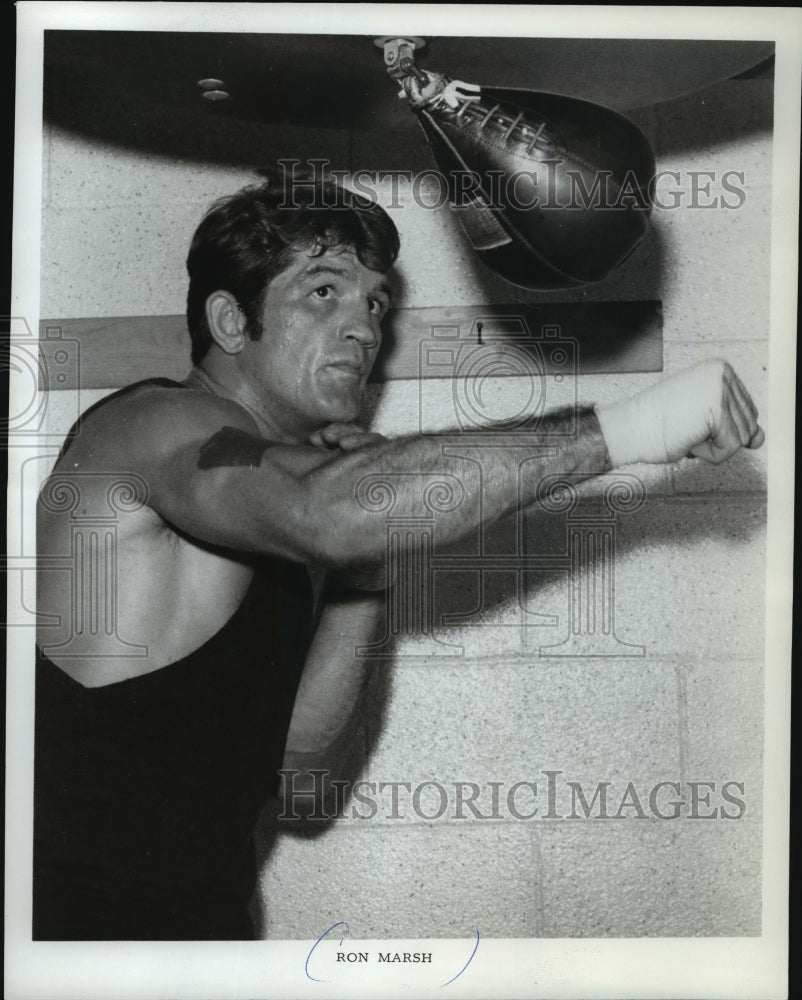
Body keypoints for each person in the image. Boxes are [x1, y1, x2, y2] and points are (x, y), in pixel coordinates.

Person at [33, 175, 764, 941]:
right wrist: (643, 424)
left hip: (199, 939)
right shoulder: (152, 428)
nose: (362, 328)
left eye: (375, 303)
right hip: (68, 943)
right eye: (325, 292)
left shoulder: (275, 515)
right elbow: (334, 512)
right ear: (229, 319)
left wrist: (366, 567)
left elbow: (302, 779)